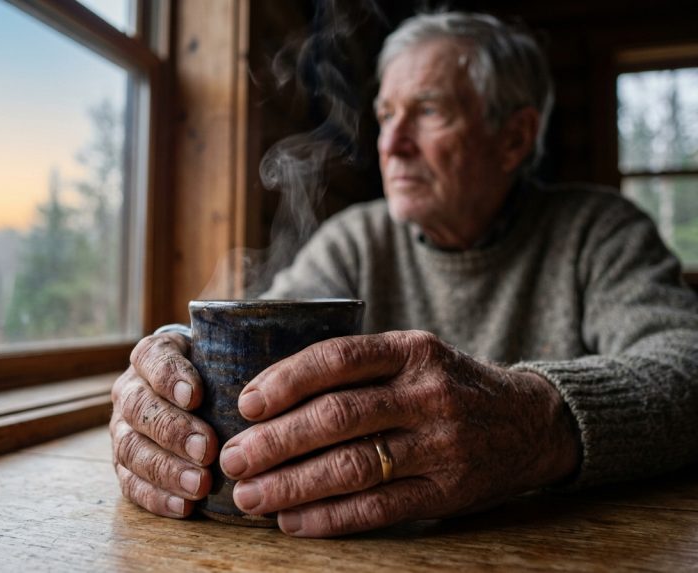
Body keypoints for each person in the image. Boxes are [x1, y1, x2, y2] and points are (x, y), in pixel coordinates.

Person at [109, 10, 698, 538]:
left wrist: (534, 421)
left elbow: (685, 362)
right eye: (386, 114)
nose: (391, 143)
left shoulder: (598, 231)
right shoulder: (356, 240)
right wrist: (171, 368)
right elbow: (258, 341)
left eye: (430, 111)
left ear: (514, 137)